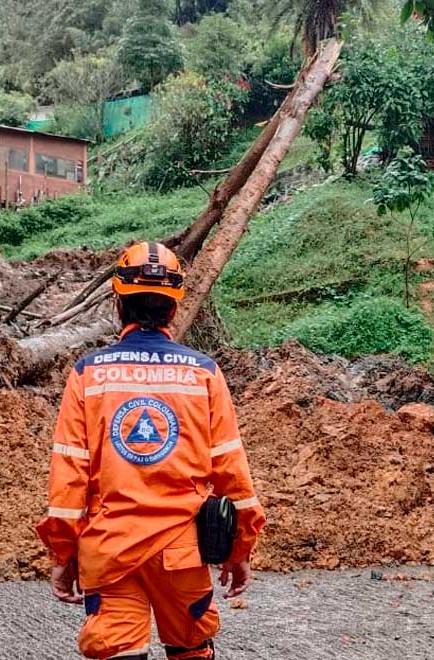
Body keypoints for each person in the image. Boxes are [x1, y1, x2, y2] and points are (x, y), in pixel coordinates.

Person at [37, 241, 266, 660]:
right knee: (191, 650)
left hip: (111, 549)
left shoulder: (88, 375)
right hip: (182, 553)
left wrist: (63, 554)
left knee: (117, 650)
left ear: (117, 303)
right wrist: (240, 550)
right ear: (174, 308)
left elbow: (69, 476)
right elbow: (232, 472)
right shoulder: (204, 374)